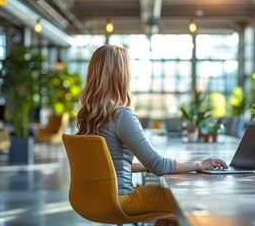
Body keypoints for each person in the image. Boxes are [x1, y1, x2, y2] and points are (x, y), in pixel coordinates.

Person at [76, 44, 228, 226]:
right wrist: (199, 164)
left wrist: (145, 167)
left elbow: (108, 167)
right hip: (120, 199)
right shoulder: (121, 115)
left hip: (90, 200)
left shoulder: (88, 117)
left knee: (168, 202)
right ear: (122, 75)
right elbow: (158, 166)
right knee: (179, 201)